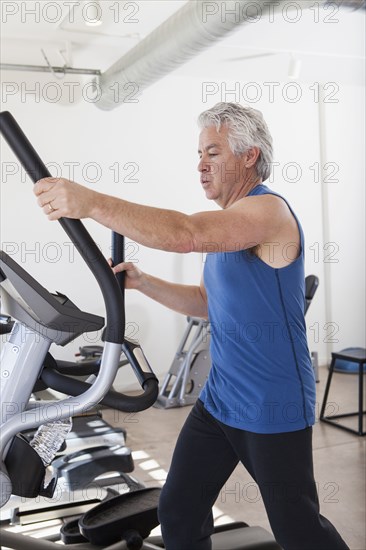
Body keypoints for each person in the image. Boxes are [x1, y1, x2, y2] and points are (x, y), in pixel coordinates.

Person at [34, 102, 349, 550]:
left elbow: (186, 233)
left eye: (213, 153)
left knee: (298, 529)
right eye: (199, 154)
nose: (200, 165)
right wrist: (142, 282)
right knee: (179, 510)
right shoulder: (229, 226)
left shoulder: (268, 213)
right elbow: (205, 302)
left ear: (249, 156)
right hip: (221, 398)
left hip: (271, 403)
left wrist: (92, 203)